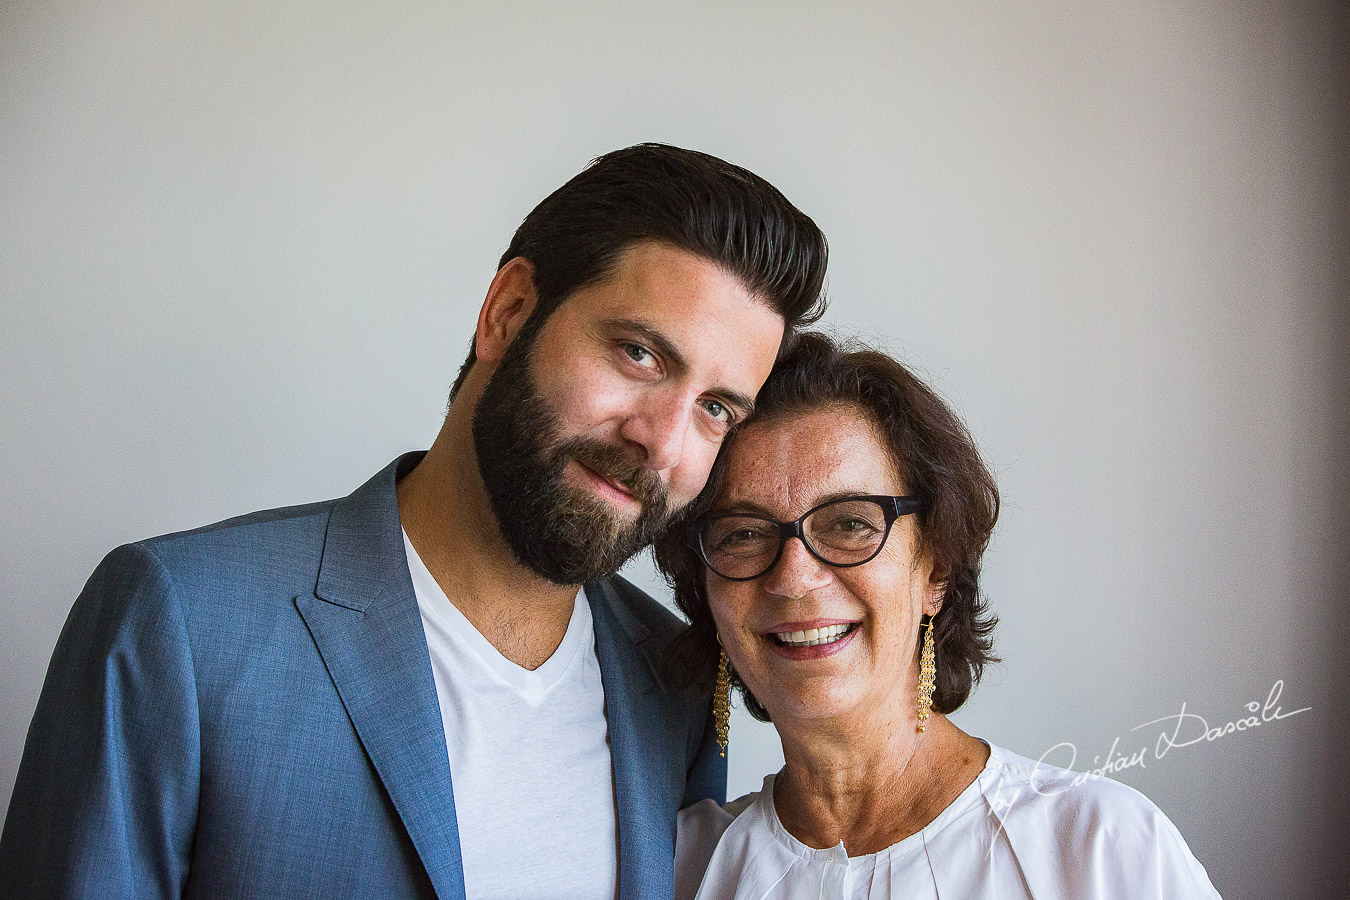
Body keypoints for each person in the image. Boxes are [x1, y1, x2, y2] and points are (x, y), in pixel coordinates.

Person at [0, 144, 828, 900]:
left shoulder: (679, 686)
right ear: (508, 311)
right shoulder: (179, 619)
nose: (662, 445)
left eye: (717, 408)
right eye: (639, 354)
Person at [657, 332, 1222, 899]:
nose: (795, 577)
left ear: (936, 570)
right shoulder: (676, 868)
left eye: (851, 523)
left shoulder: (1100, 849)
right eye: (744, 534)